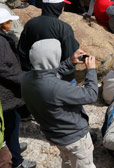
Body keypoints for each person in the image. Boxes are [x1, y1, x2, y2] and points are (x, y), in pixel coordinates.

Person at [22, 40, 96, 168]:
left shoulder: (26, 78)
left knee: (67, 160)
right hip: (75, 138)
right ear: (53, 58)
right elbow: (91, 94)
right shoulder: (58, 88)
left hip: (55, 135)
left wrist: (69, 62)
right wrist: (91, 70)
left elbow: (48, 74)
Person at [0, 9, 36, 168]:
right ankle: (16, 160)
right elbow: (2, 67)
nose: (11, 23)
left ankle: (12, 147)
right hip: (5, 93)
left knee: (10, 123)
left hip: (7, 91)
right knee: (11, 123)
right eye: (8, 21)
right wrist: (23, 77)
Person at [17, 0, 79, 73]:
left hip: (33, 72)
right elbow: (70, 54)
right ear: (61, 8)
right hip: (57, 74)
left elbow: (22, 51)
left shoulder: (30, 23)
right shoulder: (64, 28)